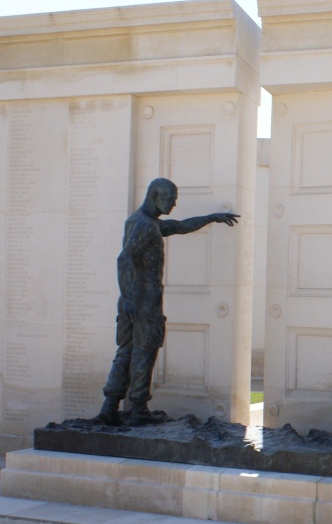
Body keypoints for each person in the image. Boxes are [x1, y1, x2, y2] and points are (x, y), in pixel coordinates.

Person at [96, 178, 239, 426]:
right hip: (143, 300)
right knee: (145, 351)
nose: (174, 203)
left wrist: (212, 217)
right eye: (170, 199)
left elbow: (180, 226)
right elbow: (124, 259)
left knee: (126, 352)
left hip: (132, 300)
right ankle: (138, 408)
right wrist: (131, 297)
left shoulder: (143, 222)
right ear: (154, 196)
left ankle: (110, 406)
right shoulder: (143, 225)